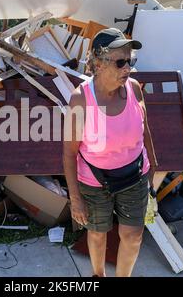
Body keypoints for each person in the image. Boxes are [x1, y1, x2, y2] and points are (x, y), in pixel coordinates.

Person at [63, 28, 158, 277]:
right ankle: (98, 275)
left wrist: (153, 171)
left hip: (135, 175)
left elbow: (144, 130)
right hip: (95, 182)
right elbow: (69, 153)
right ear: (98, 63)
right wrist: (75, 200)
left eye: (130, 61)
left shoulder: (135, 89)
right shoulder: (80, 100)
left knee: (133, 235)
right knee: (96, 233)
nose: (128, 68)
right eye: (120, 62)